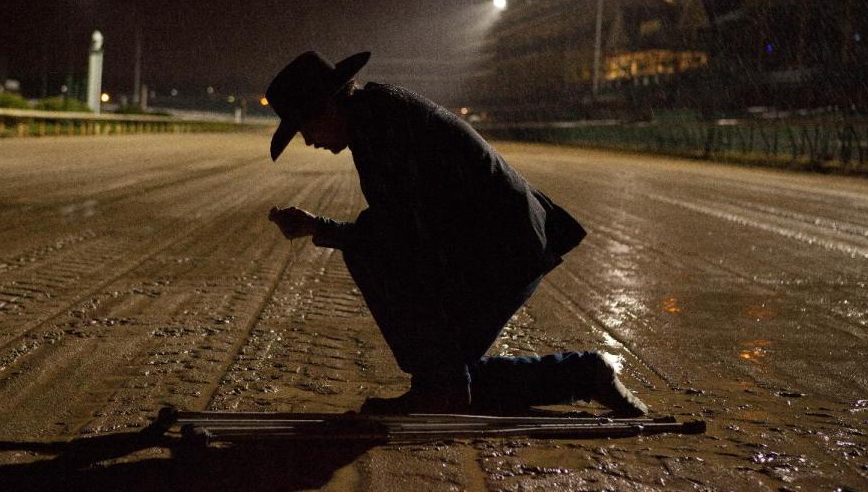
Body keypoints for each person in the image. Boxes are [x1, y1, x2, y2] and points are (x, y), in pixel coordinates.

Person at [265, 50, 648, 416]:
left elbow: (398, 235)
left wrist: (324, 229)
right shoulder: (375, 116)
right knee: (448, 373)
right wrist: (319, 227)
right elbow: (401, 224)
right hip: (499, 245)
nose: (309, 141)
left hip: (504, 249)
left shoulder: (382, 127)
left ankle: (444, 385)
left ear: (327, 106)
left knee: (371, 260)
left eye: (306, 127)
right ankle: (583, 374)